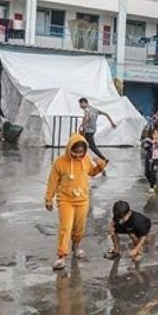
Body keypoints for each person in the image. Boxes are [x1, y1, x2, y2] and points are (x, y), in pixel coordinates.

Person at [44, 133, 108, 271]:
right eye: (75, 152)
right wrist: (49, 198)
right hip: (65, 200)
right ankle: (61, 256)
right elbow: (52, 181)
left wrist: (100, 166)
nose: (78, 155)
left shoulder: (86, 159)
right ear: (69, 149)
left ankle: (76, 246)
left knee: (79, 228)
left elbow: (91, 172)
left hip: (82, 200)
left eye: (81, 152)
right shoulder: (60, 162)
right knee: (65, 227)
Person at [78, 97, 116, 165]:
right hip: (93, 129)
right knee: (83, 143)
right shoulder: (94, 109)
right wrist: (112, 123)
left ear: (84, 103)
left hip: (88, 130)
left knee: (91, 146)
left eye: (80, 104)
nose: (80, 106)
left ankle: (103, 158)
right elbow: (106, 114)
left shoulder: (86, 110)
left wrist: (83, 127)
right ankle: (82, 157)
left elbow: (87, 119)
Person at [142, 129, 158, 194]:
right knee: (147, 172)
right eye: (154, 134)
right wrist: (151, 143)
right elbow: (145, 147)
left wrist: (157, 144)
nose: (155, 136)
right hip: (149, 158)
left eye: (157, 134)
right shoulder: (149, 141)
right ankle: (152, 181)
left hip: (156, 159)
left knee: (153, 172)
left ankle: (151, 186)